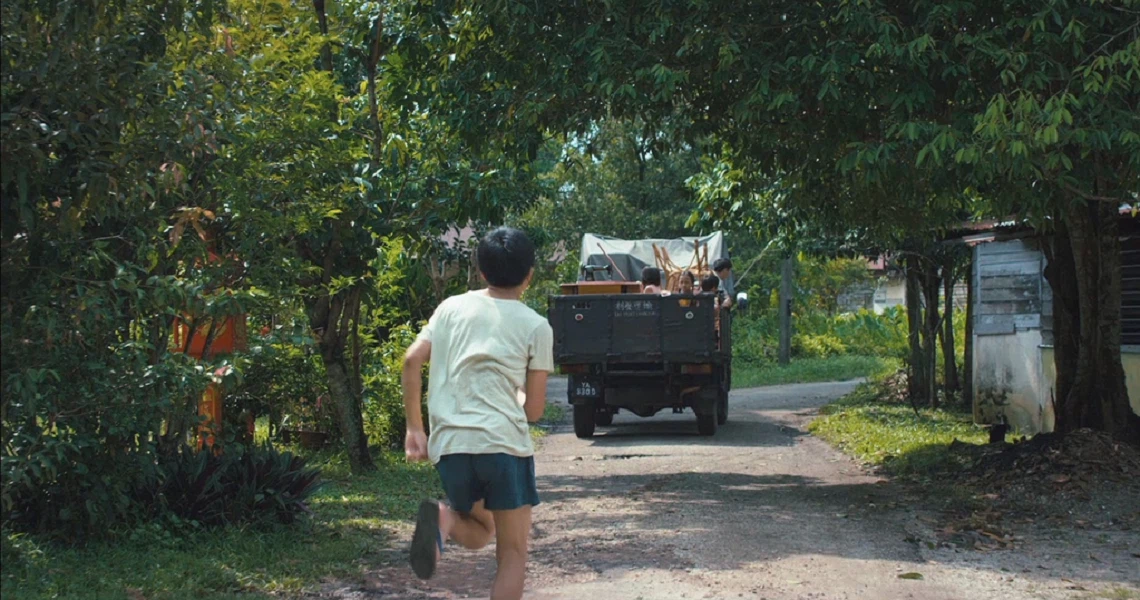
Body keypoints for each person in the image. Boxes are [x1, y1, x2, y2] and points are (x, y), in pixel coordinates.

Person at [401, 226, 554, 600]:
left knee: (480, 529)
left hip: (451, 446)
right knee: (513, 552)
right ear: (530, 275)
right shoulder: (536, 325)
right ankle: (445, 518)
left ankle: (445, 517)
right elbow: (533, 411)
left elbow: (411, 359)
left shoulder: (450, 308)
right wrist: (511, 398)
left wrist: (414, 428)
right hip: (502, 446)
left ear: (481, 271)